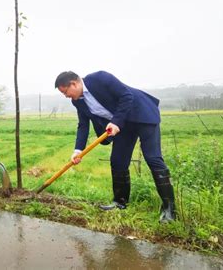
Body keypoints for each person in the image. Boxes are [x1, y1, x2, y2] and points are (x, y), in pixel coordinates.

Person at [55, 70, 176, 222]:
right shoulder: (77, 101)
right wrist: (77, 150)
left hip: (142, 115)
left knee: (153, 158)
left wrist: (116, 122)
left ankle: (169, 210)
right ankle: (120, 202)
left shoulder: (99, 78)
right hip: (122, 125)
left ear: (74, 83)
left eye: (65, 92)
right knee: (118, 161)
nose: (66, 96)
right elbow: (83, 125)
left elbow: (126, 96)